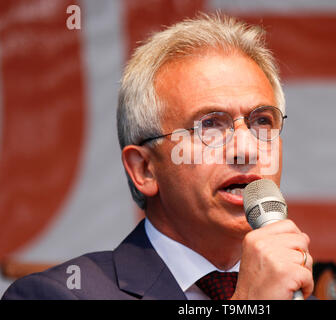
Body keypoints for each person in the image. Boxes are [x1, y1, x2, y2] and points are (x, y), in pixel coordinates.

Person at [2, 12, 313, 300]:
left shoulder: (296, 293)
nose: (245, 149)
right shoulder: (57, 295)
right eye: (211, 125)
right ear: (144, 169)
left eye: (262, 121)